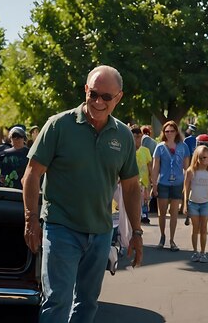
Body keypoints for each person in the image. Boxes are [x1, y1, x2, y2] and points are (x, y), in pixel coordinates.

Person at [22, 65, 143, 323]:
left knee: (87, 303)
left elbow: (131, 187)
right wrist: (31, 219)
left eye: (106, 97)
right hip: (61, 228)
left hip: (101, 232)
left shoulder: (122, 135)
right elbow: (31, 175)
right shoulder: (58, 126)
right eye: (94, 94)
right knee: (58, 301)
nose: (98, 102)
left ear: (118, 97)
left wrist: (137, 232)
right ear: (86, 90)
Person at [151, 120, 191, 252]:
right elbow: (155, 167)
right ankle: (162, 236)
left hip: (177, 183)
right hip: (163, 182)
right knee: (161, 212)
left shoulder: (183, 146)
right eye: (166, 131)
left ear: (176, 132)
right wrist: (154, 184)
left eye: (171, 131)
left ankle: (172, 240)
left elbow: (187, 167)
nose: (169, 133)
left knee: (174, 213)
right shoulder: (160, 147)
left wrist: (188, 185)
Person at [184, 145, 208, 263]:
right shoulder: (191, 171)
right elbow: (186, 188)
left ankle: (203, 252)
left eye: (206, 158)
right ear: (196, 158)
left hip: (205, 203)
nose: (203, 160)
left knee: (203, 229)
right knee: (195, 228)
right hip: (193, 203)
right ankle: (195, 252)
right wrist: (184, 204)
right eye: (201, 157)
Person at [130, 125, 153, 224]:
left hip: (144, 180)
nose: (137, 139)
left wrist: (152, 179)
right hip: (131, 180)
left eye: (139, 137)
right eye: (135, 137)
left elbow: (149, 166)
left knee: (144, 199)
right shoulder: (128, 151)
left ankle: (144, 215)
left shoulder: (145, 150)